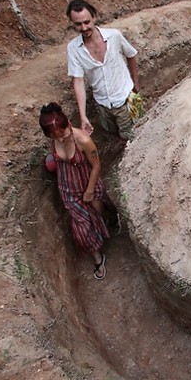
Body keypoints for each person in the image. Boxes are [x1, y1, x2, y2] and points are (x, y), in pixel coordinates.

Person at [39, 102, 119, 280]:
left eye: (62, 134)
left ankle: (112, 219)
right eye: (54, 137)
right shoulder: (56, 139)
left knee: (99, 211)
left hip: (88, 184)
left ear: (67, 123)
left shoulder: (83, 140)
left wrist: (90, 191)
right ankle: (98, 257)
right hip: (68, 190)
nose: (60, 139)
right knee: (82, 227)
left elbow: (96, 165)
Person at [66, 0, 140, 140]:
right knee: (110, 134)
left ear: (94, 17)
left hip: (124, 100)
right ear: (72, 23)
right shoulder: (73, 49)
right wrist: (83, 117)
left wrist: (135, 83)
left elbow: (131, 55)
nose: (84, 28)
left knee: (129, 136)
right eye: (78, 24)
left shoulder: (114, 36)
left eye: (86, 22)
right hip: (102, 104)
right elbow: (78, 81)